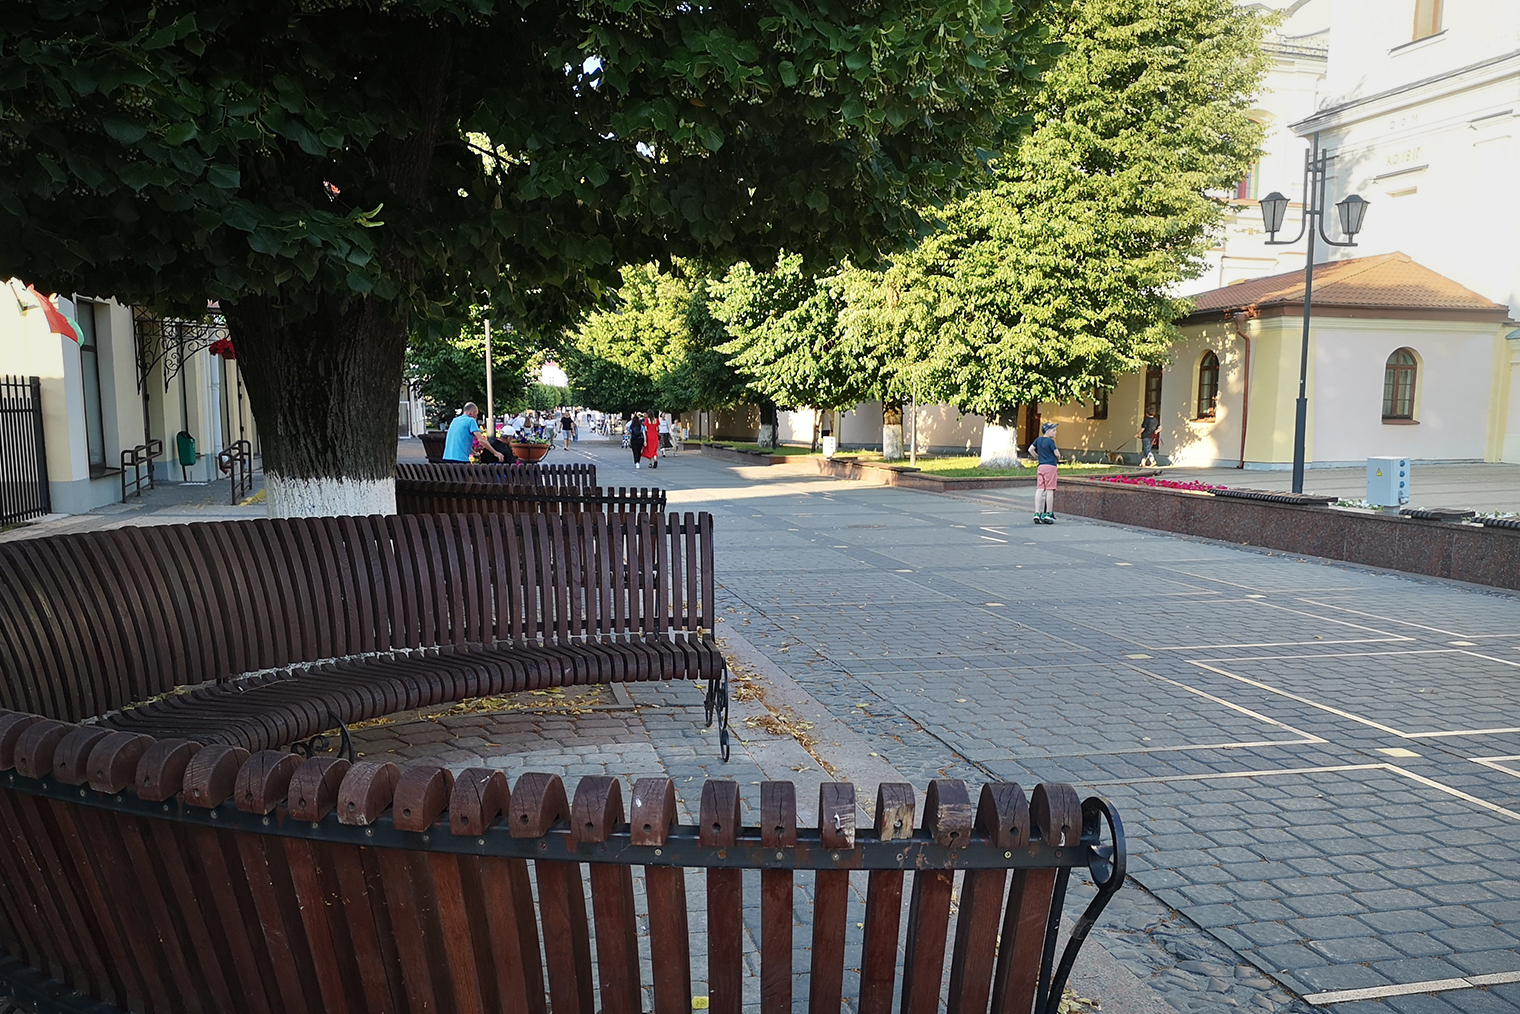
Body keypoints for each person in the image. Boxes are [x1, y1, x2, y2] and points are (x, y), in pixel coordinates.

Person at [1027, 422, 1061, 524]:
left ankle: (1037, 512)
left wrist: (1037, 457)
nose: (1055, 432)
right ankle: (1048, 513)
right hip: (1051, 466)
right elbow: (1057, 454)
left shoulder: (1038, 440)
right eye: (1054, 430)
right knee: (1049, 490)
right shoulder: (1051, 442)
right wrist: (1058, 459)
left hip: (1041, 466)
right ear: (1048, 431)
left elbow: (1030, 449)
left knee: (1040, 489)